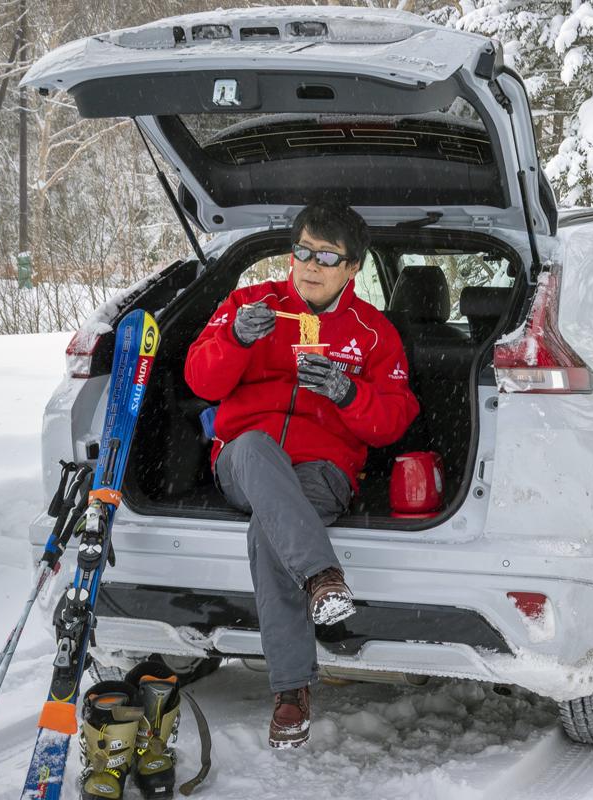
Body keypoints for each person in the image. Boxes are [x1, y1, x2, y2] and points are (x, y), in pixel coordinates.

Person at [184, 204, 419, 749]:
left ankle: (290, 693)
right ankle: (321, 578)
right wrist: (236, 340)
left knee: (270, 530)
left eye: (327, 257)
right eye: (303, 251)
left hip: (323, 471)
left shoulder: (373, 333)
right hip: (242, 462)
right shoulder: (250, 304)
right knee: (254, 446)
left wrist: (347, 393)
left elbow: (394, 420)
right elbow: (200, 378)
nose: (310, 266)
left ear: (352, 267)